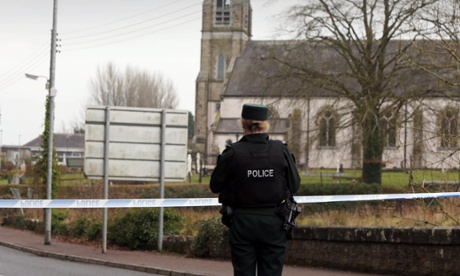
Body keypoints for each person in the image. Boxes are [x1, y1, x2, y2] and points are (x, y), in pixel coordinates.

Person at [210, 103, 301, 276]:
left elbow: (215, 186)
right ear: (265, 125)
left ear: (243, 124)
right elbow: (295, 185)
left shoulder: (232, 153)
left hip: (242, 223)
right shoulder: (281, 151)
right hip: (275, 222)